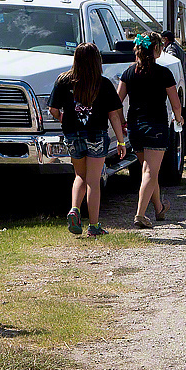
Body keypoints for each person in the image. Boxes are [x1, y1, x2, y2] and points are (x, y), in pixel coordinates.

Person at [50, 44, 127, 237]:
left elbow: (53, 109)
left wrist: (62, 118)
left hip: (72, 135)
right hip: (96, 135)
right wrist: (121, 141)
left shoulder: (63, 81)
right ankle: (94, 226)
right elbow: (114, 115)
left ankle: (74, 209)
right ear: (97, 61)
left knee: (80, 176)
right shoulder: (103, 83)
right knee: (93, 181)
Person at [118, 33, 184, 228]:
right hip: (156, 126)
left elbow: (117, 101)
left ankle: (159, 208)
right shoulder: (164, 73)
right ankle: (140, 214)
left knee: (149, 171)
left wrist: (121, 121)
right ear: (156, 49)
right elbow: (176, 104)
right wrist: (179, 118)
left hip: (135, 127)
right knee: (150, 171)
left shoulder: (128, 73)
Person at [160, 31, 186, 139]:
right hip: (181, 78)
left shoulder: (171, 49)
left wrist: (176, 73)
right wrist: (184, 72)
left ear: (166, 39)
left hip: (175, 79)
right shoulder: (178, 47)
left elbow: (170, 63)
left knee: (179, 103)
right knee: (185, 103)